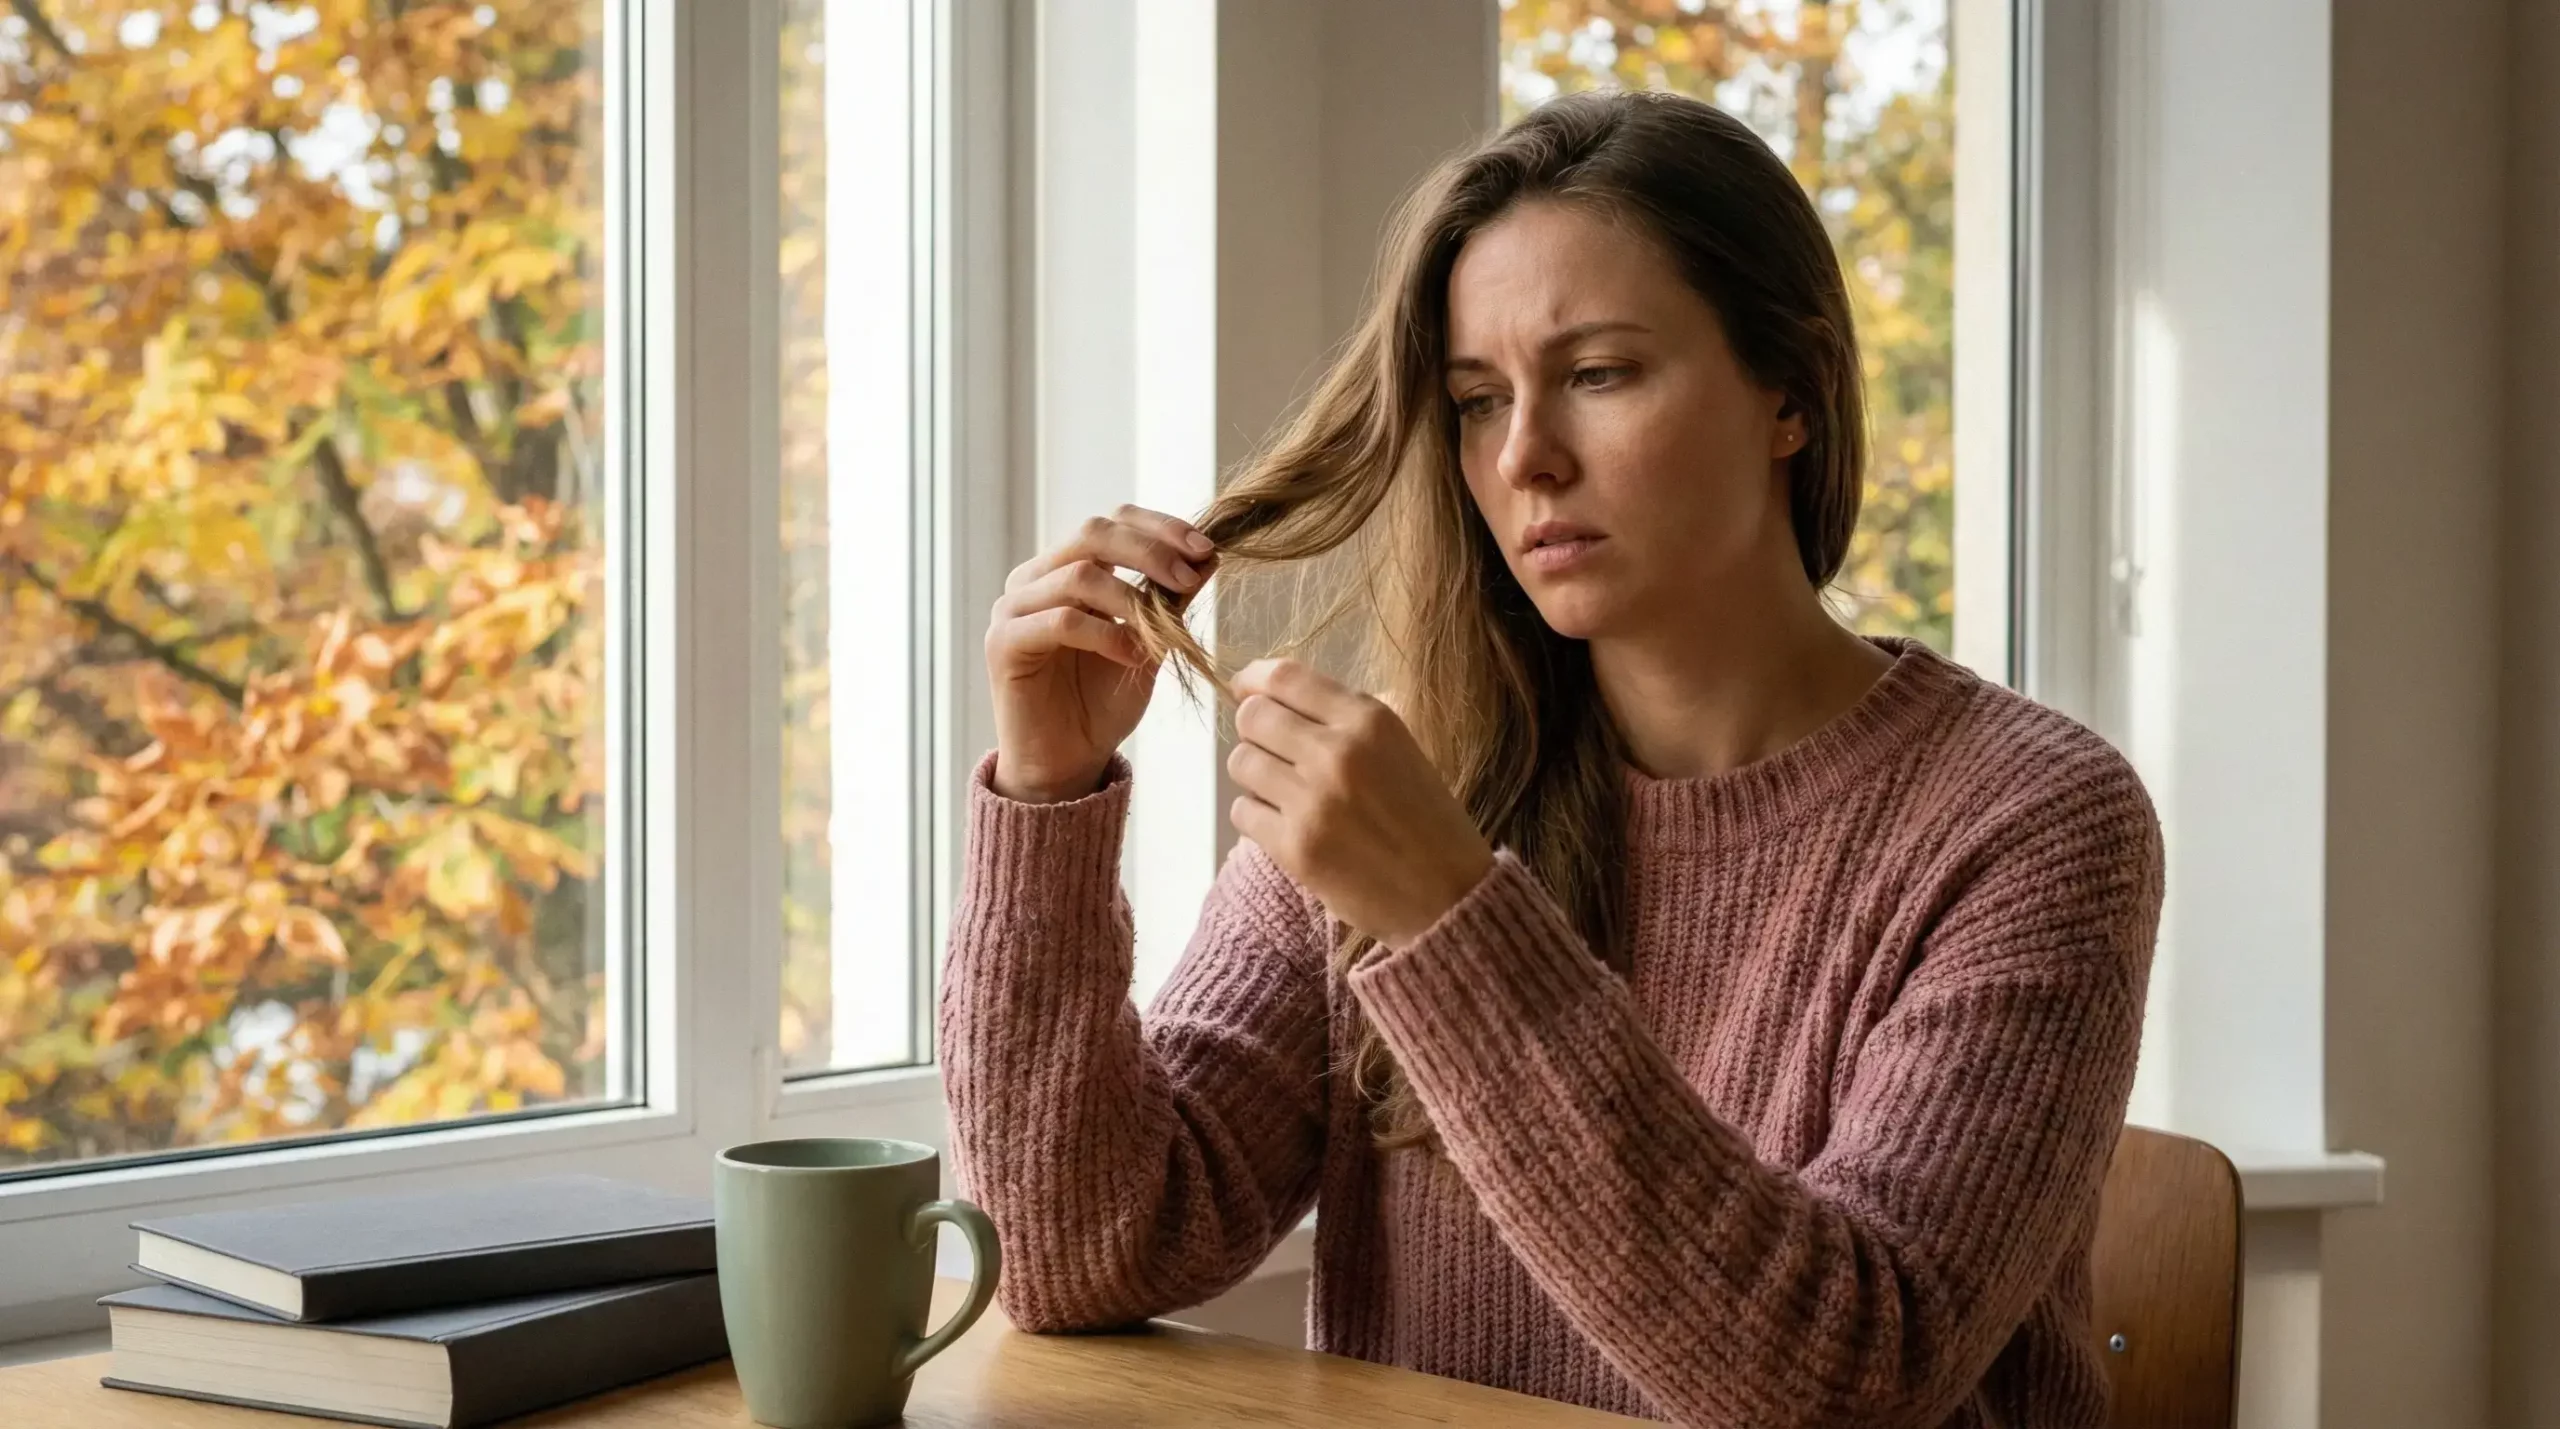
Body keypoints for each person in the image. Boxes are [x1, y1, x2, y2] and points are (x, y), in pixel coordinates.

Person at [942, 89, 2162, 1429]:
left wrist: (1450, 921)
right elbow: (1076, 1253)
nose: (1524, 457)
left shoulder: (2035, 820)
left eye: (1598, 375)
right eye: (1475, 400)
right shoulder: (1421, 774)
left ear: (1791, 396)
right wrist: (1048, 799)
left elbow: (1848, 1377)